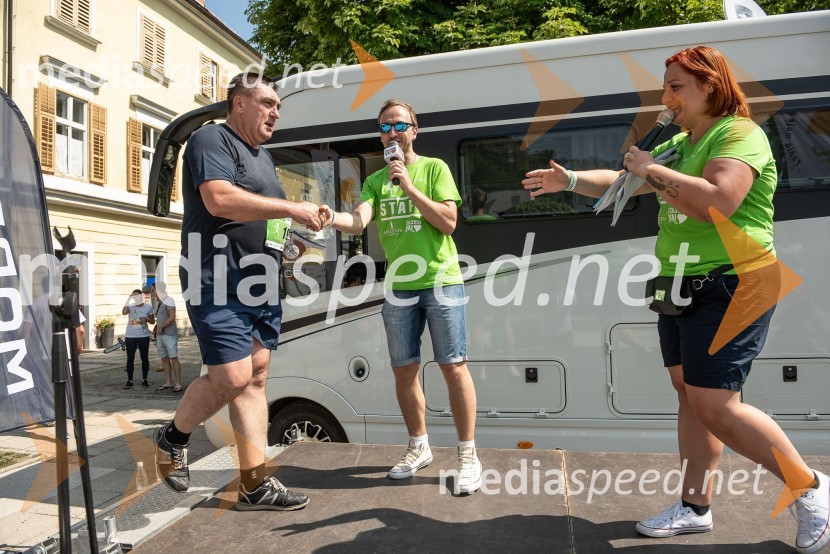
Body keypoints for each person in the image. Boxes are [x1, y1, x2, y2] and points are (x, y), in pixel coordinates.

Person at [523, 45, 829, 553]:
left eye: (675, 87)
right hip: (681, 282)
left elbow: (719, 201)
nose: (666, 98)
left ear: (710, 85)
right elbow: (625, 183)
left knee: (716, 403)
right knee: (690, 395)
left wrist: (651, 170)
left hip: (734, 279)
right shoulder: (685, 140)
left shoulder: (739, 134)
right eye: (665, 88)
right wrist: (570, 180)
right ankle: (694, 507)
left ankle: (810, 487)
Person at [153, 72, 326, 512]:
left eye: (279, 107)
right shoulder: (212, 140)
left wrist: (289, 235)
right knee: (231, 376)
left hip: (260, 279)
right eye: (267, 102)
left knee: (256, 377)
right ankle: (172, 437)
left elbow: (259, 216)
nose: (275, 112)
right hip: (217, 275)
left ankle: (255, 483)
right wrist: (292, 206)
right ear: (239, 104)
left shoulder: (263, 158)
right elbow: (219, 199)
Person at [322, 99, 483, 494]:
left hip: (441, 281)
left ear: (414, 129)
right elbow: (359, 220)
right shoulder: (377, 181)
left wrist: (409, 186)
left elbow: (448, 222)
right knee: (404, 369)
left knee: (453, 366)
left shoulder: (434, 169)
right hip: (400, 287)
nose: (391, 134)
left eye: (398, 125)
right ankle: (419, 446)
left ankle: (467, 456)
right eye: (384, 127)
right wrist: (329, 216)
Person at [152, 281, 182, 393]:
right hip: (160, 335)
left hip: (169, 334)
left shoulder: (169, 300)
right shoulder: (159, 302)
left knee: (173, 358)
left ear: (158, 290)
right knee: (164, 358)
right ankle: (168, 382)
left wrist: (162, 326)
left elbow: (172, 317)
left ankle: (178, 383)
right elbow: (161, 318)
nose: (153, 292)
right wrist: (157, 328)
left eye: (153, 290)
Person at [122, 288, 154, 389]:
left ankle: (145, 379)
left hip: (143, 335)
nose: (135, 298)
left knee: (144, 357)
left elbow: (153, 321)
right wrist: (128, 299)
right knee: (130, 358)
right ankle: (130, 380)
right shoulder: (130, 306)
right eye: (133, 296)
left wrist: (147, 319)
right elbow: (124, 312)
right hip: (130, 335)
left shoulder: (148, 307)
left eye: (136, 296)